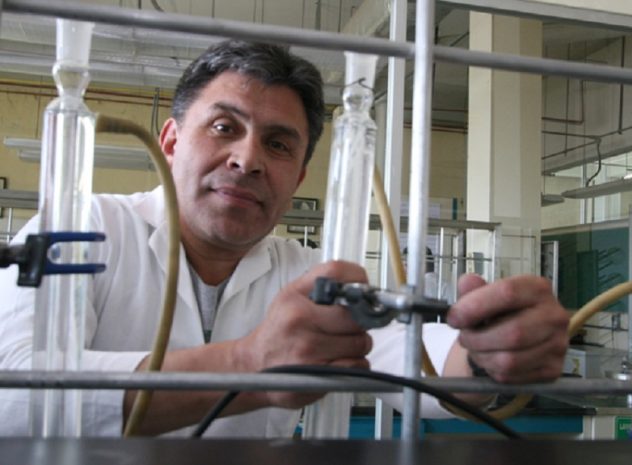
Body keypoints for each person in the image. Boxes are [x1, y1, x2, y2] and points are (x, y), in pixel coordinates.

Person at [0, 40, 569, 437]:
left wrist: (488, 354)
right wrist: (249, 364)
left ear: (297, 178)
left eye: (278, 144)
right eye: (224, 127)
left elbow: (422, 370)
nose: (247, 159)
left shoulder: (309, 273)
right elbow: (13, 396)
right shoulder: (85, 228)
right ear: (171, 142)